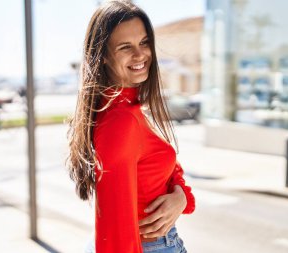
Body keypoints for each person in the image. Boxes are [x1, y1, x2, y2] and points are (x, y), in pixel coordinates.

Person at [66, 1, 195, 252]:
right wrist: (182, 197)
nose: (140, 55)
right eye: (126, 47)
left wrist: (181, 196)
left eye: (144, 42)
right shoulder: (121, 120)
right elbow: (114, 227)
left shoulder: (131, 107)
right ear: (102, 56)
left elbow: (164, 165)